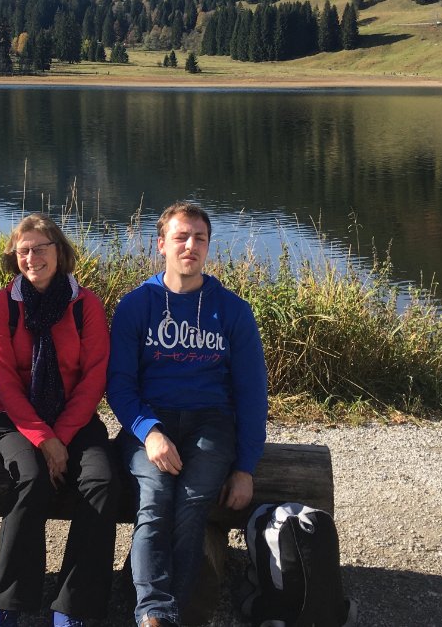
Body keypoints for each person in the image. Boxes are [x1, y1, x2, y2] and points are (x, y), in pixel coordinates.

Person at [107, 202, 268, 627]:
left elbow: (252, 394)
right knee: (155, 499)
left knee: (192, 504)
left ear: (208, 246)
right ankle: (153, 614)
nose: (190, 246)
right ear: (161, 244)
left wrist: (245, 468)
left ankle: (167, 614)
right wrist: (149, 432)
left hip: (210, 422)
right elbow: (119, 386)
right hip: (150, 420)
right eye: (181, 237)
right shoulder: (135, 306)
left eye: (199, 238)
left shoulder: (233, 311)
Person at [0, 214, 119, 627]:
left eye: (40, 248)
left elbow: (94, 378)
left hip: (74, 416)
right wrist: (44, 439)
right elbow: (6, 384)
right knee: (30, 479)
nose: (31, 258)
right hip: (16, 416)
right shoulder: (3, 305)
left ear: (59, 252)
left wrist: (60, 436)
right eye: (23, 250)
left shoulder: (85, 304)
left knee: (101, 482)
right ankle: (7, 599)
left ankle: (74, 605)